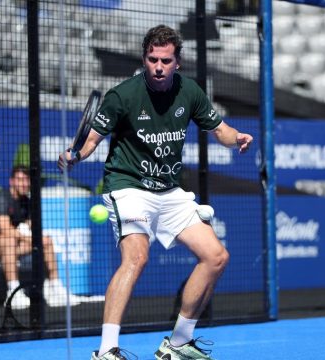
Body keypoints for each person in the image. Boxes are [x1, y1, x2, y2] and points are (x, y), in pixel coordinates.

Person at [58, 25, 253, 360]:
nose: (159, 66)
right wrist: (75, 155)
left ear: (177, 62)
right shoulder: (122, 95)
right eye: (152, 59)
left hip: (169, 190)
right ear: (144, 59)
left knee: (216, 257)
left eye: (165, 60)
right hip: (129, 186)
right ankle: (106, 351)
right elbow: (91, 140)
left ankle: (177, 344)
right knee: (136, 257)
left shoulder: (189, 91)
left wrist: (237, 138)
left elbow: (219, 129)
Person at [0, 165, 82, 309]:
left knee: (47, 241)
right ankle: (13, 293)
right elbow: (6, 230)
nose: (23, 183)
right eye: (19, 180)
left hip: (9, 246)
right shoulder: (2, 197)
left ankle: (56, 288)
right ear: (12, 181)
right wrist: (34, 240)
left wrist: (40, 239)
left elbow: (33, 228)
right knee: (10, 240)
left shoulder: (26, 201)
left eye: (26, 180)